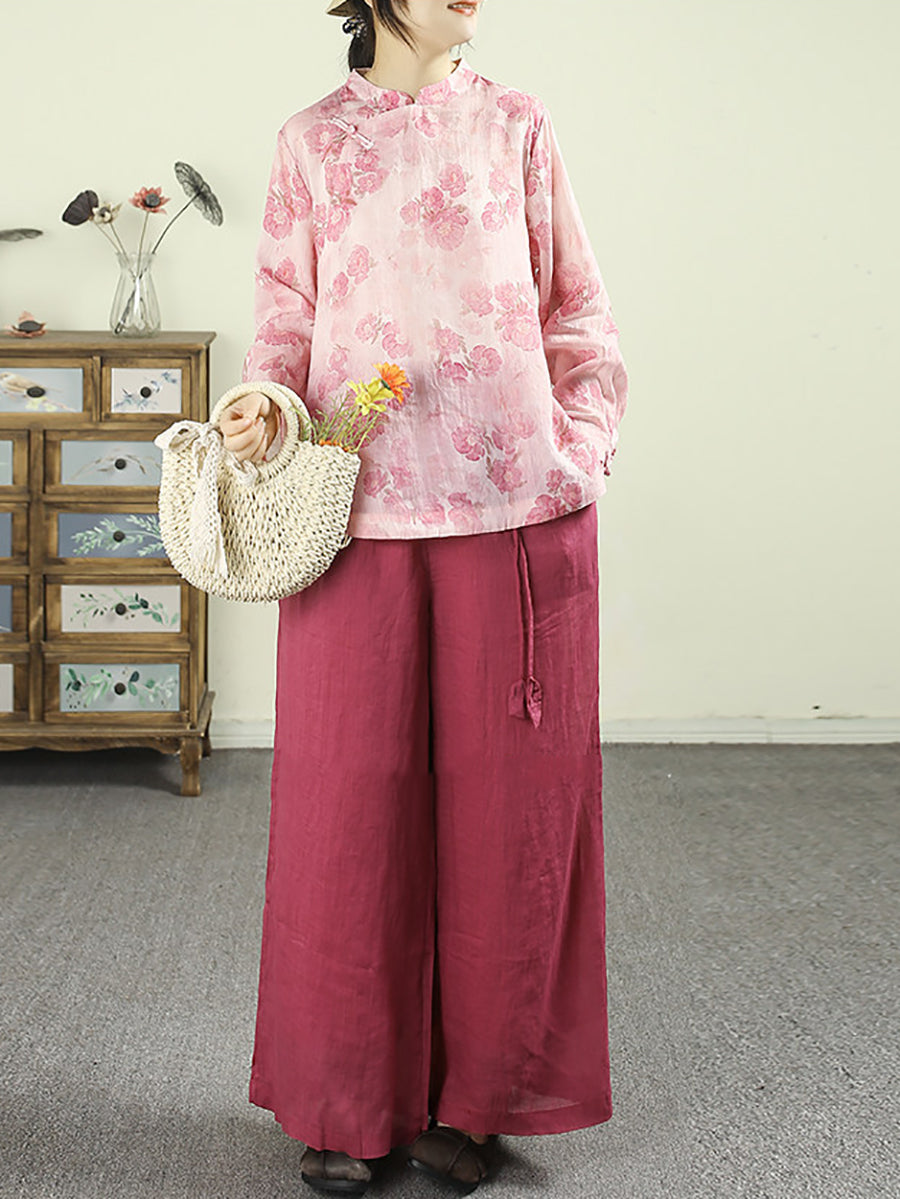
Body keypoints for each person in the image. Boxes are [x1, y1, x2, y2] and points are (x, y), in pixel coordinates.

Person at [220, 1, 629, 1194]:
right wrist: (263, 407)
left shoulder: (518, 123)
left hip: (517, 509)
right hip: (354, 512)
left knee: (511, 819)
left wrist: (579, 446)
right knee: (345, 819)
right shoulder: (311, 140)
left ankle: (478, 1099)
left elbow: (576, 307)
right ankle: (345, 1101)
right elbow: (284, 324)